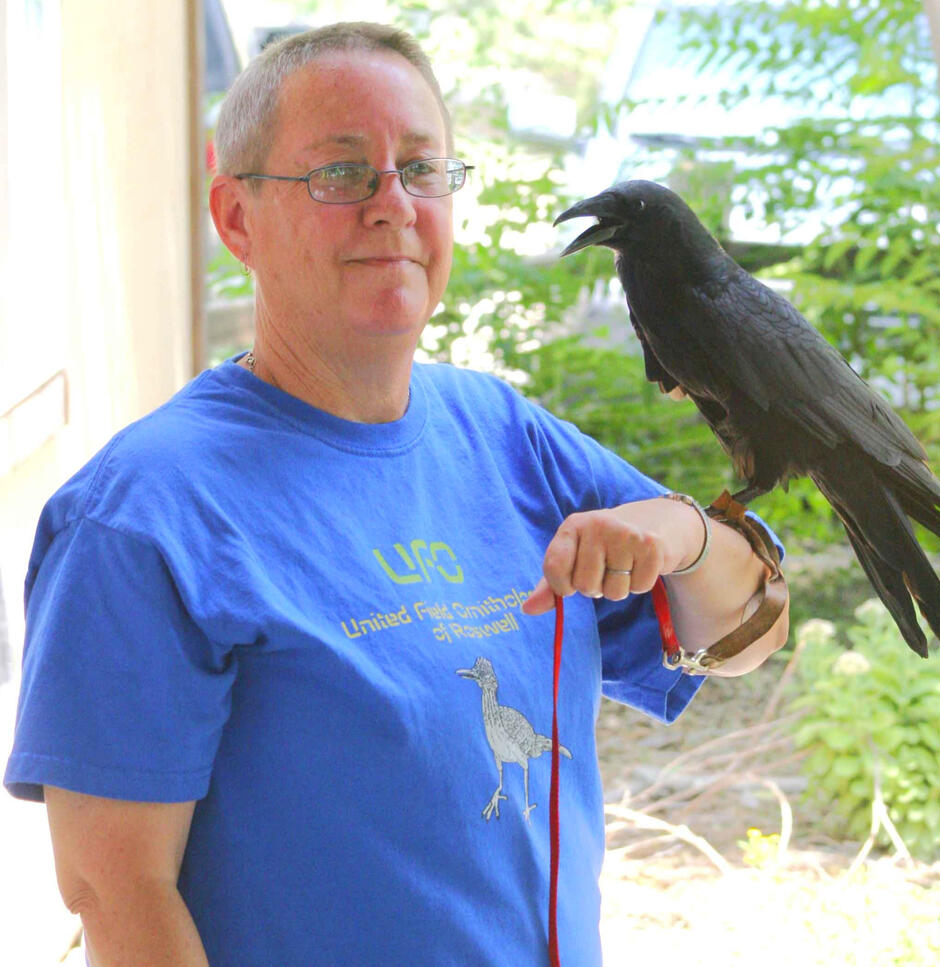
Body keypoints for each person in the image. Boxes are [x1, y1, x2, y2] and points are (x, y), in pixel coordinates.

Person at [4, 22, 789, 967]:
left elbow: (752, 631)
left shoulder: (505, 436)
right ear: (237, 218)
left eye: (421, 170)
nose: (392, 205)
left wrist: (683, 533)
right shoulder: (142, 517)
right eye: (340, 174)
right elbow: (116, 892)